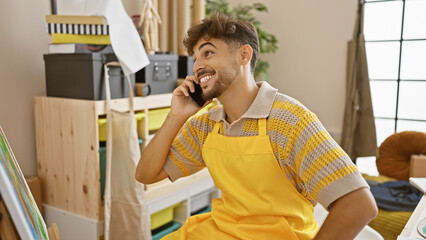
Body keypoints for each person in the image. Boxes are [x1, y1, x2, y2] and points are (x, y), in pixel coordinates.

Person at [135, 13, 378, 240]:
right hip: (219, 231)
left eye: (207, 53)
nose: (197, 66)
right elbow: (146, 175)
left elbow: (358, 204)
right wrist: (176, 116)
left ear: (244, 55)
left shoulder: (290, 121)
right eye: (195, 58)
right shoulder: (206, 124)